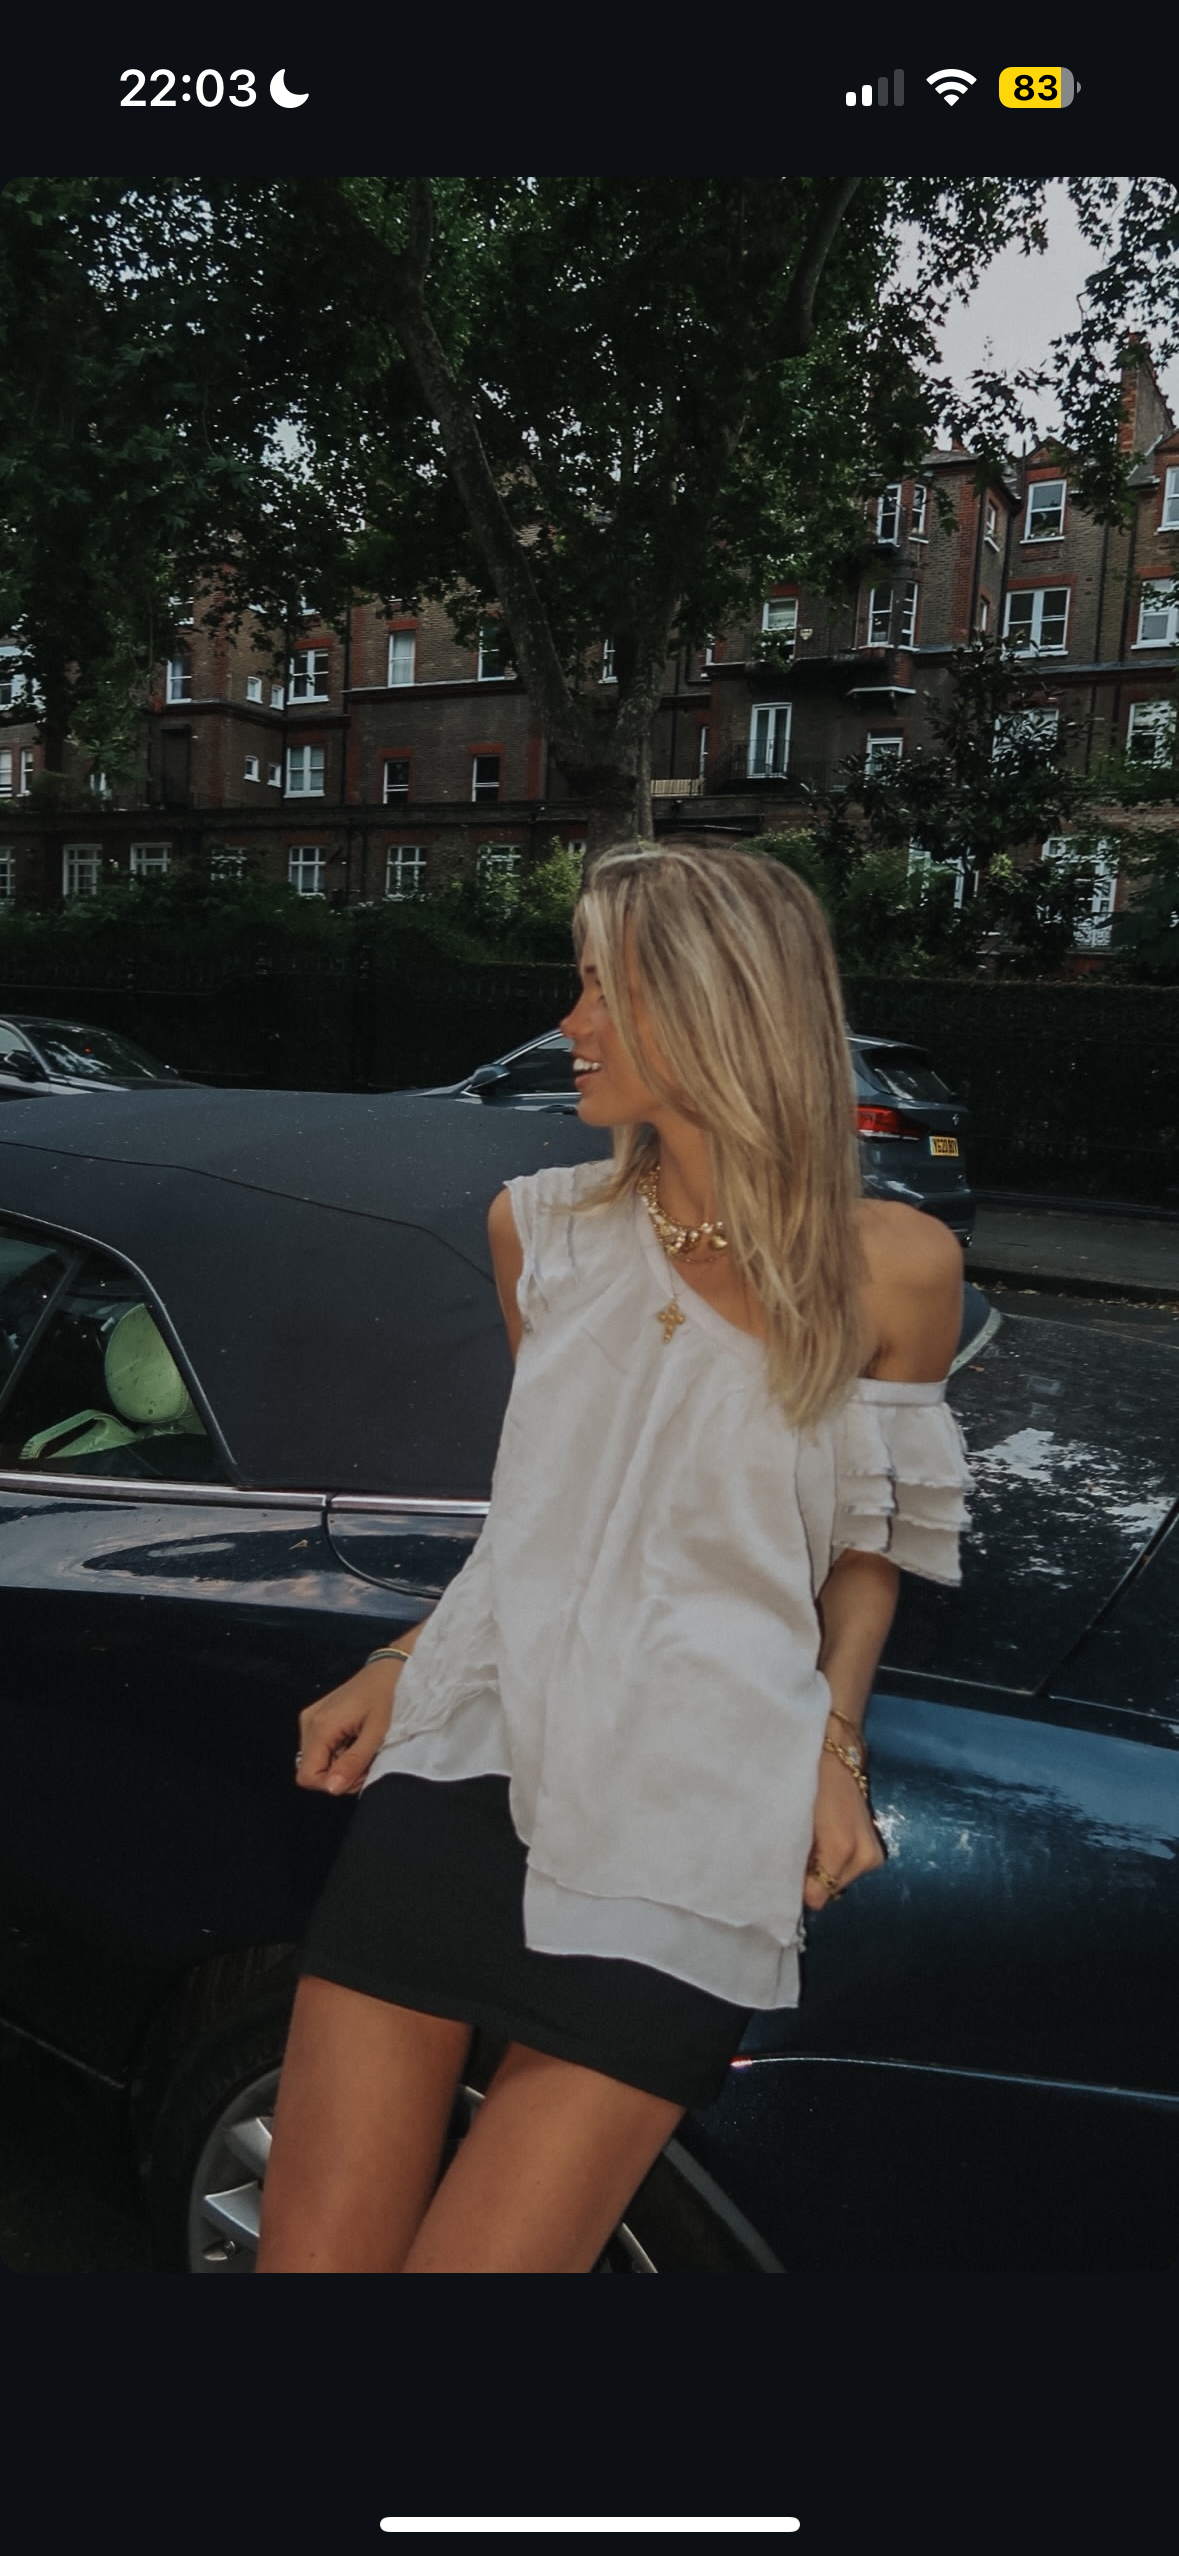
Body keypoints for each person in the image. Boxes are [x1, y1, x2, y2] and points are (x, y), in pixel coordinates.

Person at [257, 840, 969, 2275]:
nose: (568, 1022)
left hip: (693, 1814)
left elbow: (865, 1550)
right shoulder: (540, 1231)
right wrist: (407, 1658)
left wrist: (833, 1748)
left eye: (602, 989)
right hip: (472, 1757)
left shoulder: (895, 1267)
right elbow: (552, 1506)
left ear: (718, 1004)